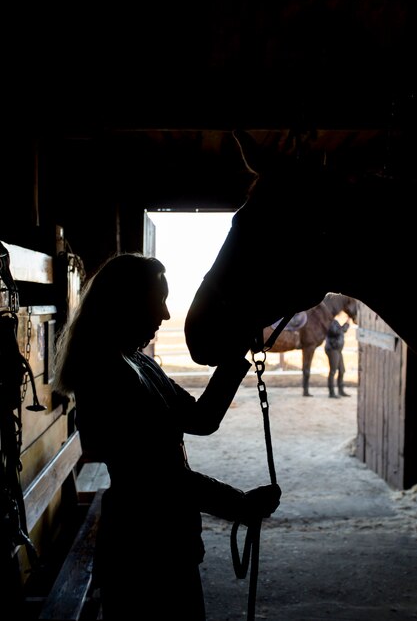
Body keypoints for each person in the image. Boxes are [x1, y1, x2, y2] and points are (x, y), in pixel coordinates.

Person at [52, 252, 281, 620]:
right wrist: (239, 504)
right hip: (145, 549)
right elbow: (161, 479)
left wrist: (235, 355)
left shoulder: (137, 363)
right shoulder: (110, 376)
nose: (166, 315)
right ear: (126, 302)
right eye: (158, 301)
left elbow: (201, 418)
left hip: (162, 539)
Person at [324, 319, 350, 398]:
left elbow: (341, 330)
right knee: (333, 371)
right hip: (332, 349)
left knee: (342, 370)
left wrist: (346, 324)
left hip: (338, 349)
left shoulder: (334, 321)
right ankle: (331, 392)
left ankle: (340, 390)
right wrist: (346, 325)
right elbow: (337, 331)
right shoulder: (329, 321)